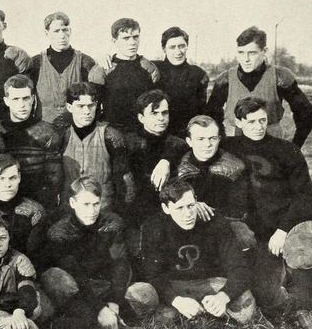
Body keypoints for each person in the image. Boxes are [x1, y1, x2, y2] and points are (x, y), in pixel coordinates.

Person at [222, 97, 312, 329]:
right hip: (258, 231)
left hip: (291, 222)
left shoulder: (286, 150)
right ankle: (287, 275)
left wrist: (283, 230)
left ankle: (305, 313)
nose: (258, 126)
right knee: (267, 295)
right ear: (238, 121)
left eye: (263, 121)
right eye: (251, 122)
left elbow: (306, 198)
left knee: (303, 253)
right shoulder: (227, 147)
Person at [127, 179, 256, 324]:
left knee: (246, 310)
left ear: (196, 200)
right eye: (179, 208)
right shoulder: (154, 226)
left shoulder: (215, 221)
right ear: (166, 208)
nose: (187, 214)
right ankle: (196, 314)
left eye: (190, 206)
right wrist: (176, 301)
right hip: (173, 285)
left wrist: (223, 297)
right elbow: (152, 274)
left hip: (210, 284)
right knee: (138, 293)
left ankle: (192, 315)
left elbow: (238, 267)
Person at [41, 178, 132, 329]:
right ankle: (97, 320)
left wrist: (114, 301)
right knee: (56, 279)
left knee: (143, 294)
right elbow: (74, 274)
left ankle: (108, 318)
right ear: (72, 202)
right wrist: (100, 308)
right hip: (78, 289)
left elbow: (121, 263)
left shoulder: (112, 223)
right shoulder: (60, 232)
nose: (92, 211)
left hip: (106, 285)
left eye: (96, 204)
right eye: (86, 204)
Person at [205, 26, 312, 147]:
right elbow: (211, 115)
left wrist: (295, 147)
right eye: (241, 53)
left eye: (252, 53)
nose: (245, 59)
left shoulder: (279, 77)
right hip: (233, 147)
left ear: (265, 51)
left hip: (271, 146)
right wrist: (222, 142)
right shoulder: (226, 79)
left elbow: (306, 113)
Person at [0, 74, 63, 208]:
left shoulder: (47, 132)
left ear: (33, 99)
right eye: (15, 99)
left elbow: (54, 177)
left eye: (26, 98)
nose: (22, 105)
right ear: (6, 101)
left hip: (37, 201)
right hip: (1, 201)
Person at [123, 90, 188, 242]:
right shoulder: (129, 144)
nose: (161, 118)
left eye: (165, 113)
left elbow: (179, 144)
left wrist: (166, 160)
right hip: (138, 215)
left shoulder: (176, 144)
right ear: (141, 117)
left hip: (171, 213)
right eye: (154, 113)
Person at [57, 82, 133, 210]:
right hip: (70, 209)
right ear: (69, 107)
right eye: (80, 106)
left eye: (90, 105)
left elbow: (124, 179)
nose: (87, 111)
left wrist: (122, 211)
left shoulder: (110, 135)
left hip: (103, 208)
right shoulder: (61, 135)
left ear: (97, 105)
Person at [89, 18, 159, 132]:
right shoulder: (102, 69)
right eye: (126, 38)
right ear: (114, 41)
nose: (132, 42)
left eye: (136, 37)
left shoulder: (149, 69)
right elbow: (93, 107)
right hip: (112, 132)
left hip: (142, 132)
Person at [177, 115, 249, 222]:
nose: (207, 144)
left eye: (212, 138)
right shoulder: (177, 165)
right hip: (185, 221)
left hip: (223, 223)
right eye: (200, 139)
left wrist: (202, 212)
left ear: (219, 139)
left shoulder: (235, 167)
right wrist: (192, 206)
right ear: (189, 141)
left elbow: (237, 211)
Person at [29, 12, 96, 123]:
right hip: (43, 127)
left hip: (75, 127)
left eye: (65, 30)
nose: (62, 35)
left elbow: (94, 100)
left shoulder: (85, 62)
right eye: (56, 31)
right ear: (47, 33)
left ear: (70, 31)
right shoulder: (36, 62)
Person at [152, 27, 209, 137]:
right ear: (164, 48)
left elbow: (201, 112)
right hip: (158, 133)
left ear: (187, 46)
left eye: (181, 46)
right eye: (172, 47)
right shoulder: (154, 69)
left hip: (187, 135)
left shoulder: (198, 74)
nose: (178, 52)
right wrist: (108, 59)